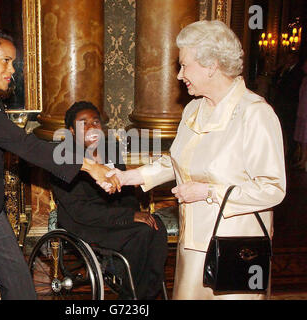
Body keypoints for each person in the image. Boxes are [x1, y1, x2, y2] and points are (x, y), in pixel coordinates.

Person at [0, 29, 119, 300]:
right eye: (5, 61)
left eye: (13, 62)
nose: (12, 69)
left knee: (20, 286)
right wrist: (88, 165)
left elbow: (19, 144)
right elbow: (23, 144)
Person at [106, 20, 286, 300]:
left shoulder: (255, 114)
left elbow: (272, 188)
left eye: (185, 65)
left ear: (211, 65)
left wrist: (209, 192)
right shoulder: (193, 109)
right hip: (192, 245)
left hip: (235, 248)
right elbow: (176, 161)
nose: (179, 75)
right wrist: (129, 177)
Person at [50, 101, 168, 300]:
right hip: (83, 222)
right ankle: (130, 297)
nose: (91, 127)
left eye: (95, 122)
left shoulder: (110, 150)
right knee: (139, 234)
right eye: (83, 123)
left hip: (113, 217)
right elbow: (80, 210)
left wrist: (136, 213)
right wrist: (129, 217)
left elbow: (126, 193)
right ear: (71, 131)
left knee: (156, 226)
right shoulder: (64, 159)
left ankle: (145, 294)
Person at [294, 58, 307, 171]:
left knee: (305, 138)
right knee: (301, 138)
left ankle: (304, 161)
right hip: (302, 109)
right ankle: (302, 158)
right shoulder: (304, 80)